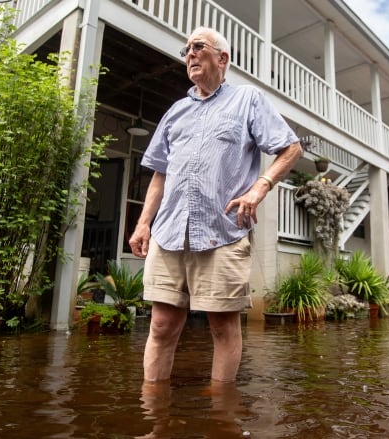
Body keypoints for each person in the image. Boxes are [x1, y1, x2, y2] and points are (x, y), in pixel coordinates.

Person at [129, 26, 303, 383]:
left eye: (198, 47)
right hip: (170, 231)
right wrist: (144, 223)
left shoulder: (247, 100)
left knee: (223, 328)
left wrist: (259, 188)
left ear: (222, 58)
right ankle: (153, 412)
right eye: (186, 50)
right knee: (161, 325)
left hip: (221, 232)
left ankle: (221, 417)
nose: (189, 54)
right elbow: (160, 174)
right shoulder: (176, 111)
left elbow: (291, 148)